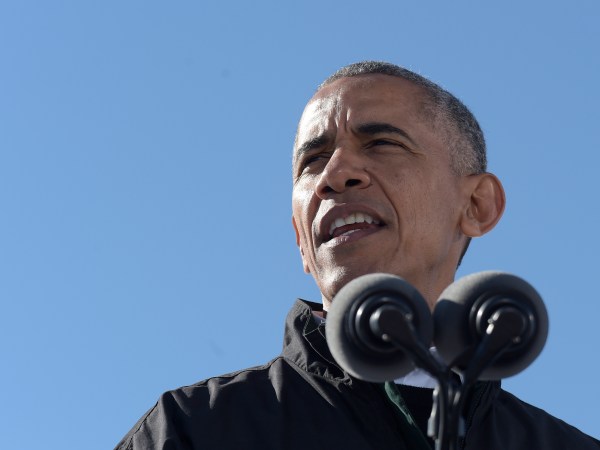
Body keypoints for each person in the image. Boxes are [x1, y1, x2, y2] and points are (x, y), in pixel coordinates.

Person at [115, 61, 600, 449]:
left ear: (476, 205)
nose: (336, 173)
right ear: (301, 242)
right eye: (312, 160)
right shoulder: (194, 429)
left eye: (383, 143)